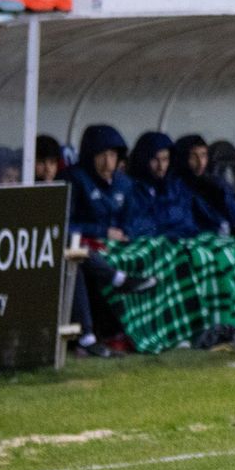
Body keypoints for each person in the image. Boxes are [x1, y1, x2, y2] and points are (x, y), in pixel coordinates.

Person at [60, 125, 157, 357]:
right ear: (89, 156)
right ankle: (116, 283)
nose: (108, 162)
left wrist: (128, 232)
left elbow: (135, 217)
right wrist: (102, 231)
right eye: (102, 155)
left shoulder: (124, 183)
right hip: (82, 244)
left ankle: (149, 331)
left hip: (116, 245)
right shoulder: (74, 179)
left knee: (160, 250)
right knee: (76, 255)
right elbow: (64, 223)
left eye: (113, 155)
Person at [124, 131, 198, 241]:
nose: (161, 166)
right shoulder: (130, 188)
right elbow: (134, 227)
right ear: (143, 159)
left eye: (165, 159)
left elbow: (188, 225)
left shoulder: (177, 186)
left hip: (178, 242)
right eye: (155, 159)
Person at [172, 134, 235, 236]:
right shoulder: (175, 186)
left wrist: (223, 195)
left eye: (203, 155)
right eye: (193, 156)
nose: (200, 162)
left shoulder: (215, 183)